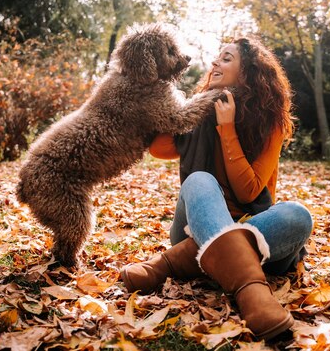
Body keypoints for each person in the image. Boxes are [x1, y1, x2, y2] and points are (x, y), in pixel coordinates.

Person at [120, 36, 313, 340]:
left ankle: (170, 263)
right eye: (217, 57)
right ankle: (253, 294)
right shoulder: (199, 111)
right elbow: (159, 147)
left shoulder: (270, 121)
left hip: (252, 223)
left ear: (248, 72)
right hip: (194, 225)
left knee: (297, 215)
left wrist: (228, 128)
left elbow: (249, 192)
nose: (214, 63)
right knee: (199, 180)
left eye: (226, 58)